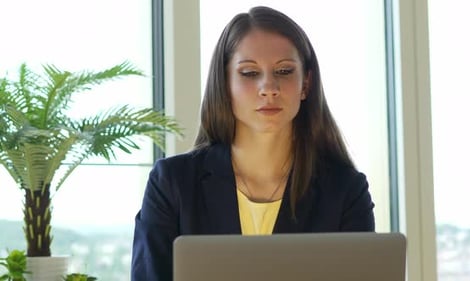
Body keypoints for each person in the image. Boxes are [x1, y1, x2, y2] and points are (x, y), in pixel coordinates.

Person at [131, 5, 375, 281]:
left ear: (305, 84)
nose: (269, 87)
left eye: (284, 71)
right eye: (249, 73)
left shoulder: (345, 191)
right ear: (224, 84)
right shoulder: (172, 184)